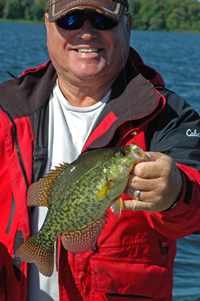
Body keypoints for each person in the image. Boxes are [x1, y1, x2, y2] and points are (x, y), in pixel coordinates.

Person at [0, 0, 200, 300]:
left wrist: (175, 191)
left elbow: (195, 210)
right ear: (47, 26)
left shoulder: (170, 116)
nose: (87, 32)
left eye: (102, 20)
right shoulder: (5, 109)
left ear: (127, 27)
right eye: (71, 20)